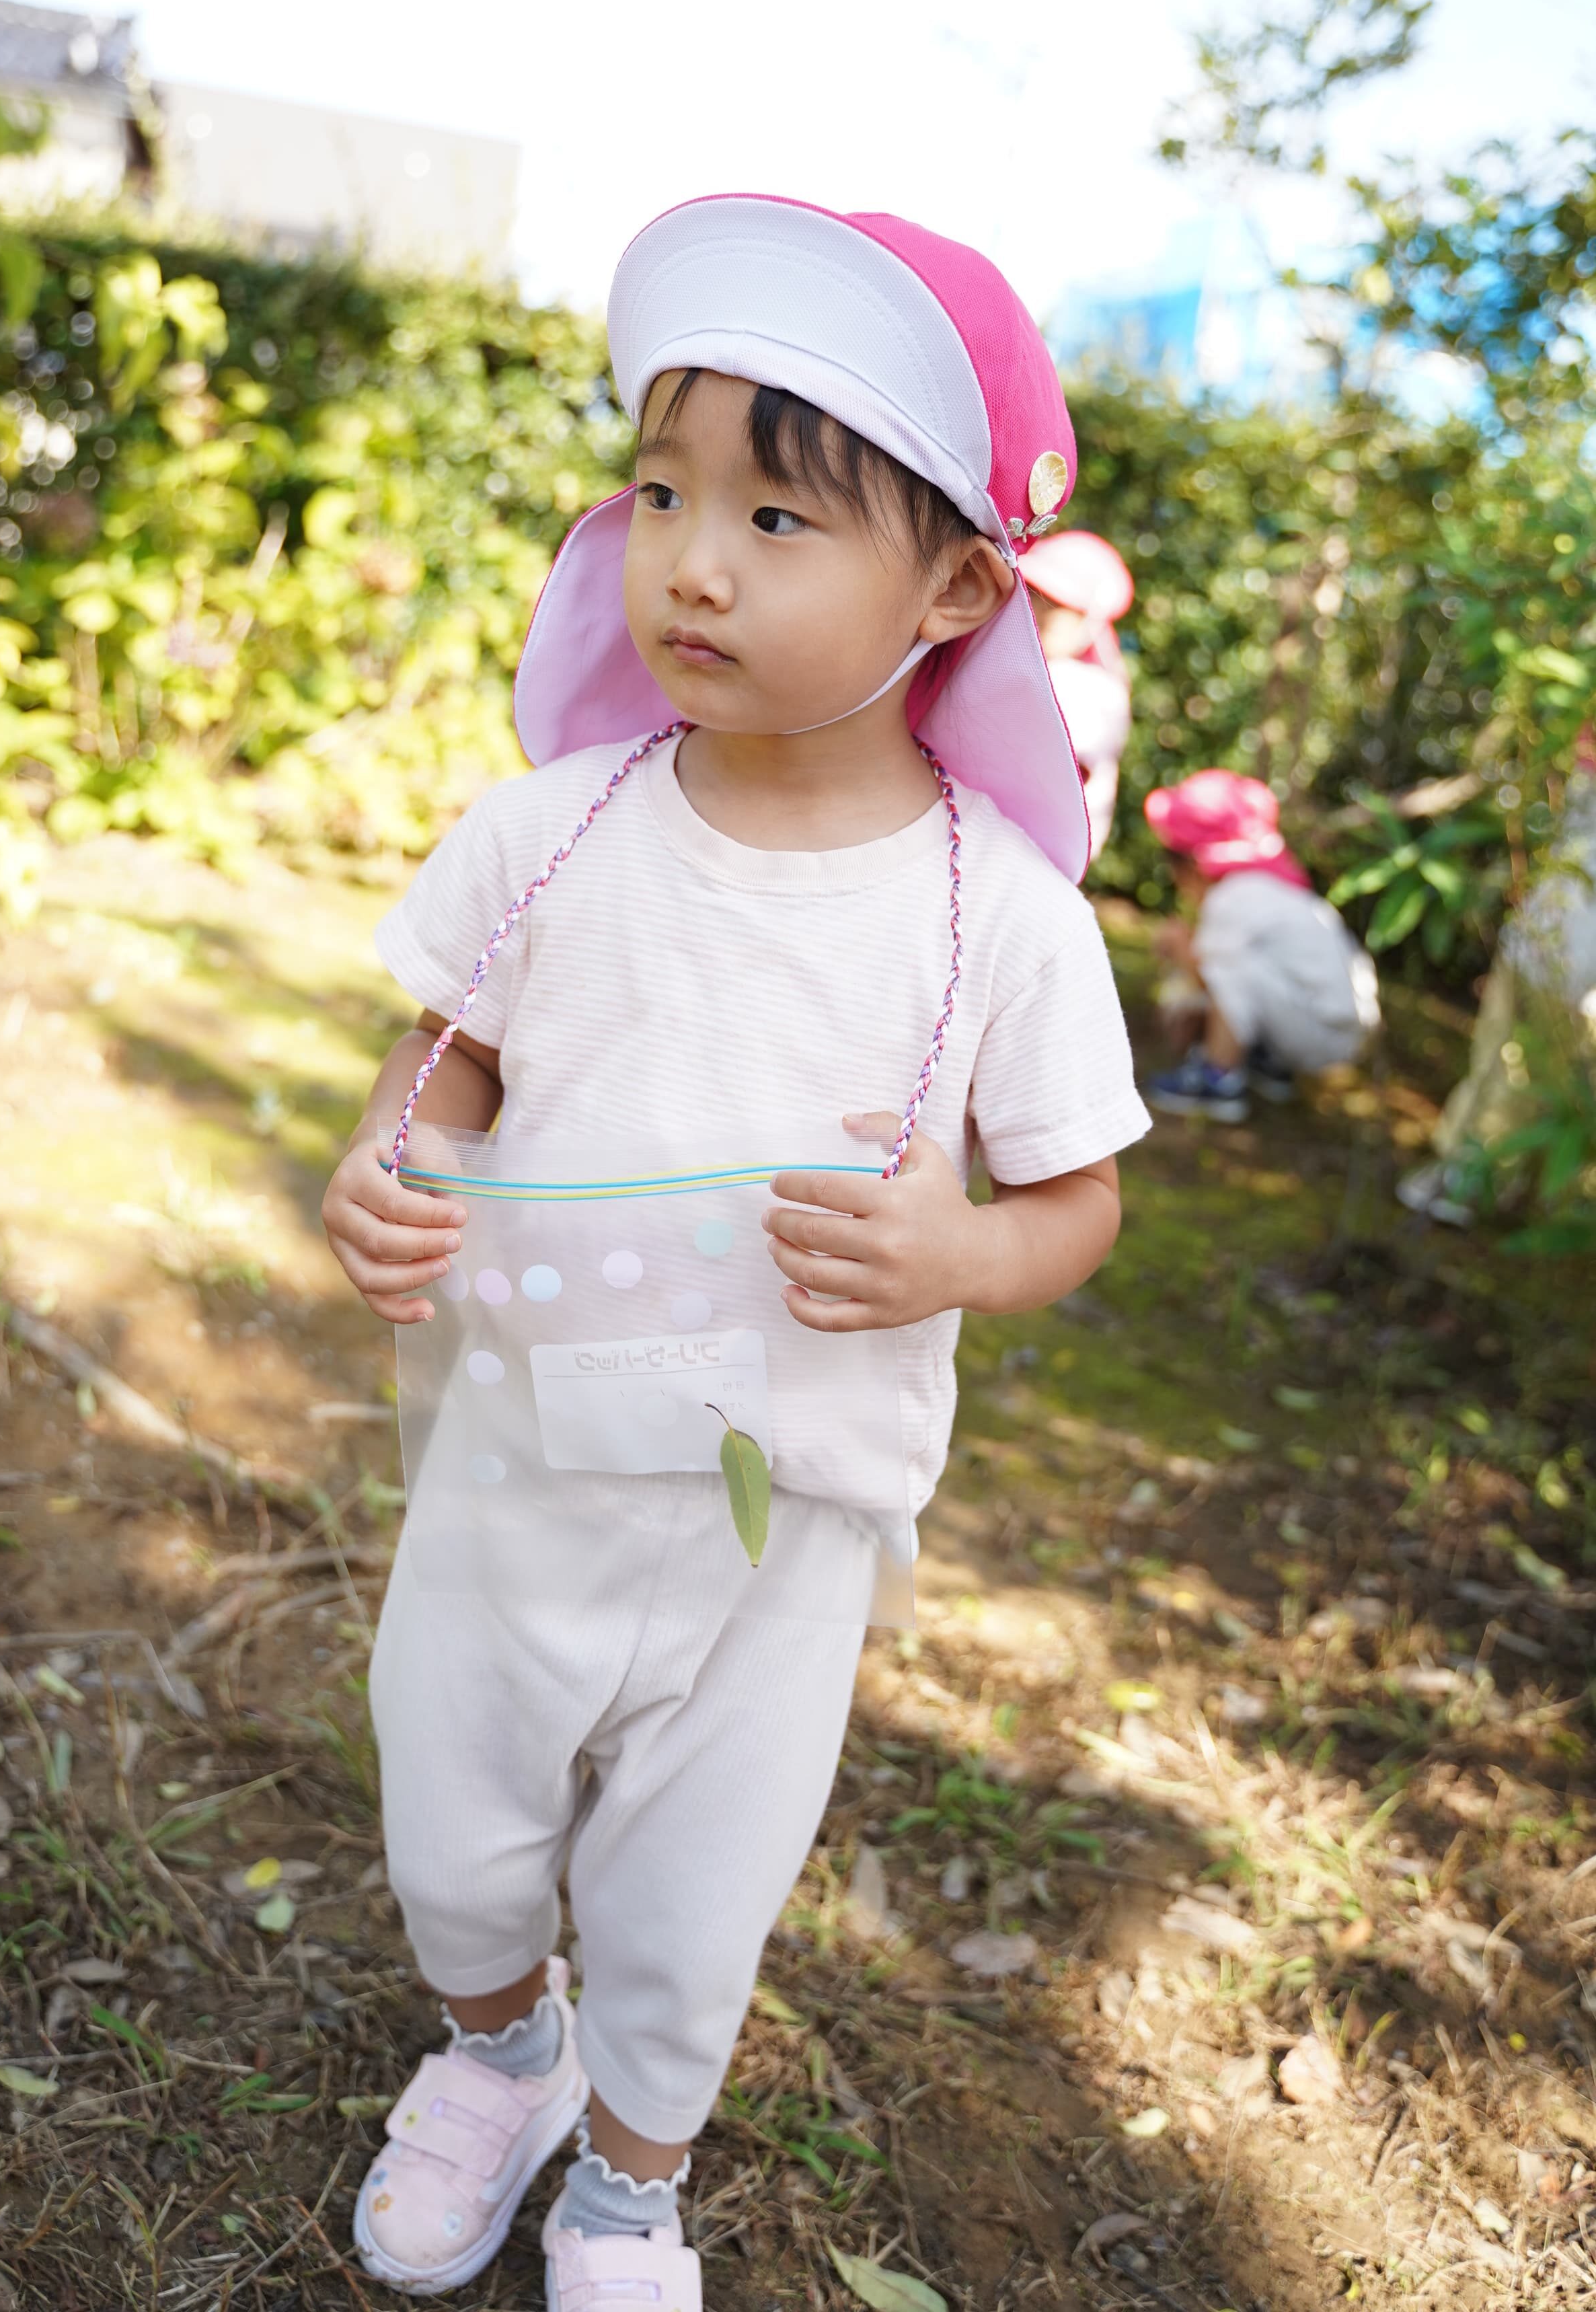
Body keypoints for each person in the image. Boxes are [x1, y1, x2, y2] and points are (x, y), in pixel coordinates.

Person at [321, 195, 1151, 2309]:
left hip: (780, 1519)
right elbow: (454, 1052)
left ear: (954, 586)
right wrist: (398, 1156)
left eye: (778, 517)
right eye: (667, 492)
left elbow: (1075, 1202)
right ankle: (501, 2053)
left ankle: (629, 2184)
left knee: (691, 1899)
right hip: (516, 1465)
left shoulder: (999, 918)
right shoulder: (559, 830)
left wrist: (957, 1248)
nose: (692, 559)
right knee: (454, 1825)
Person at [1398, 729, 1596, 1224]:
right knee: (1508, 1056)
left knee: (1520, 1065)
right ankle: (1484, 1175)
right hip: (1551, 935)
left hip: (1567, 952)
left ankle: (1480, 1179)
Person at [1141, 768, 1379, 1124]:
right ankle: (1265, 1061)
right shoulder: (1266, 889)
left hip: (1323, 1037)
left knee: (1230, 966)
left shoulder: (1234, 897)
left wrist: (1179, 950)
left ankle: (1218, 1079)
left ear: (1193, 863)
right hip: (1337, 1029)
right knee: (1234, 961)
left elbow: (1212, 981)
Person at [1018, 527, 1135, 864]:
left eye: (1058, 604)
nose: (1039, 609)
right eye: (1033, 592)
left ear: (1088, 622)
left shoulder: (1085, 689)